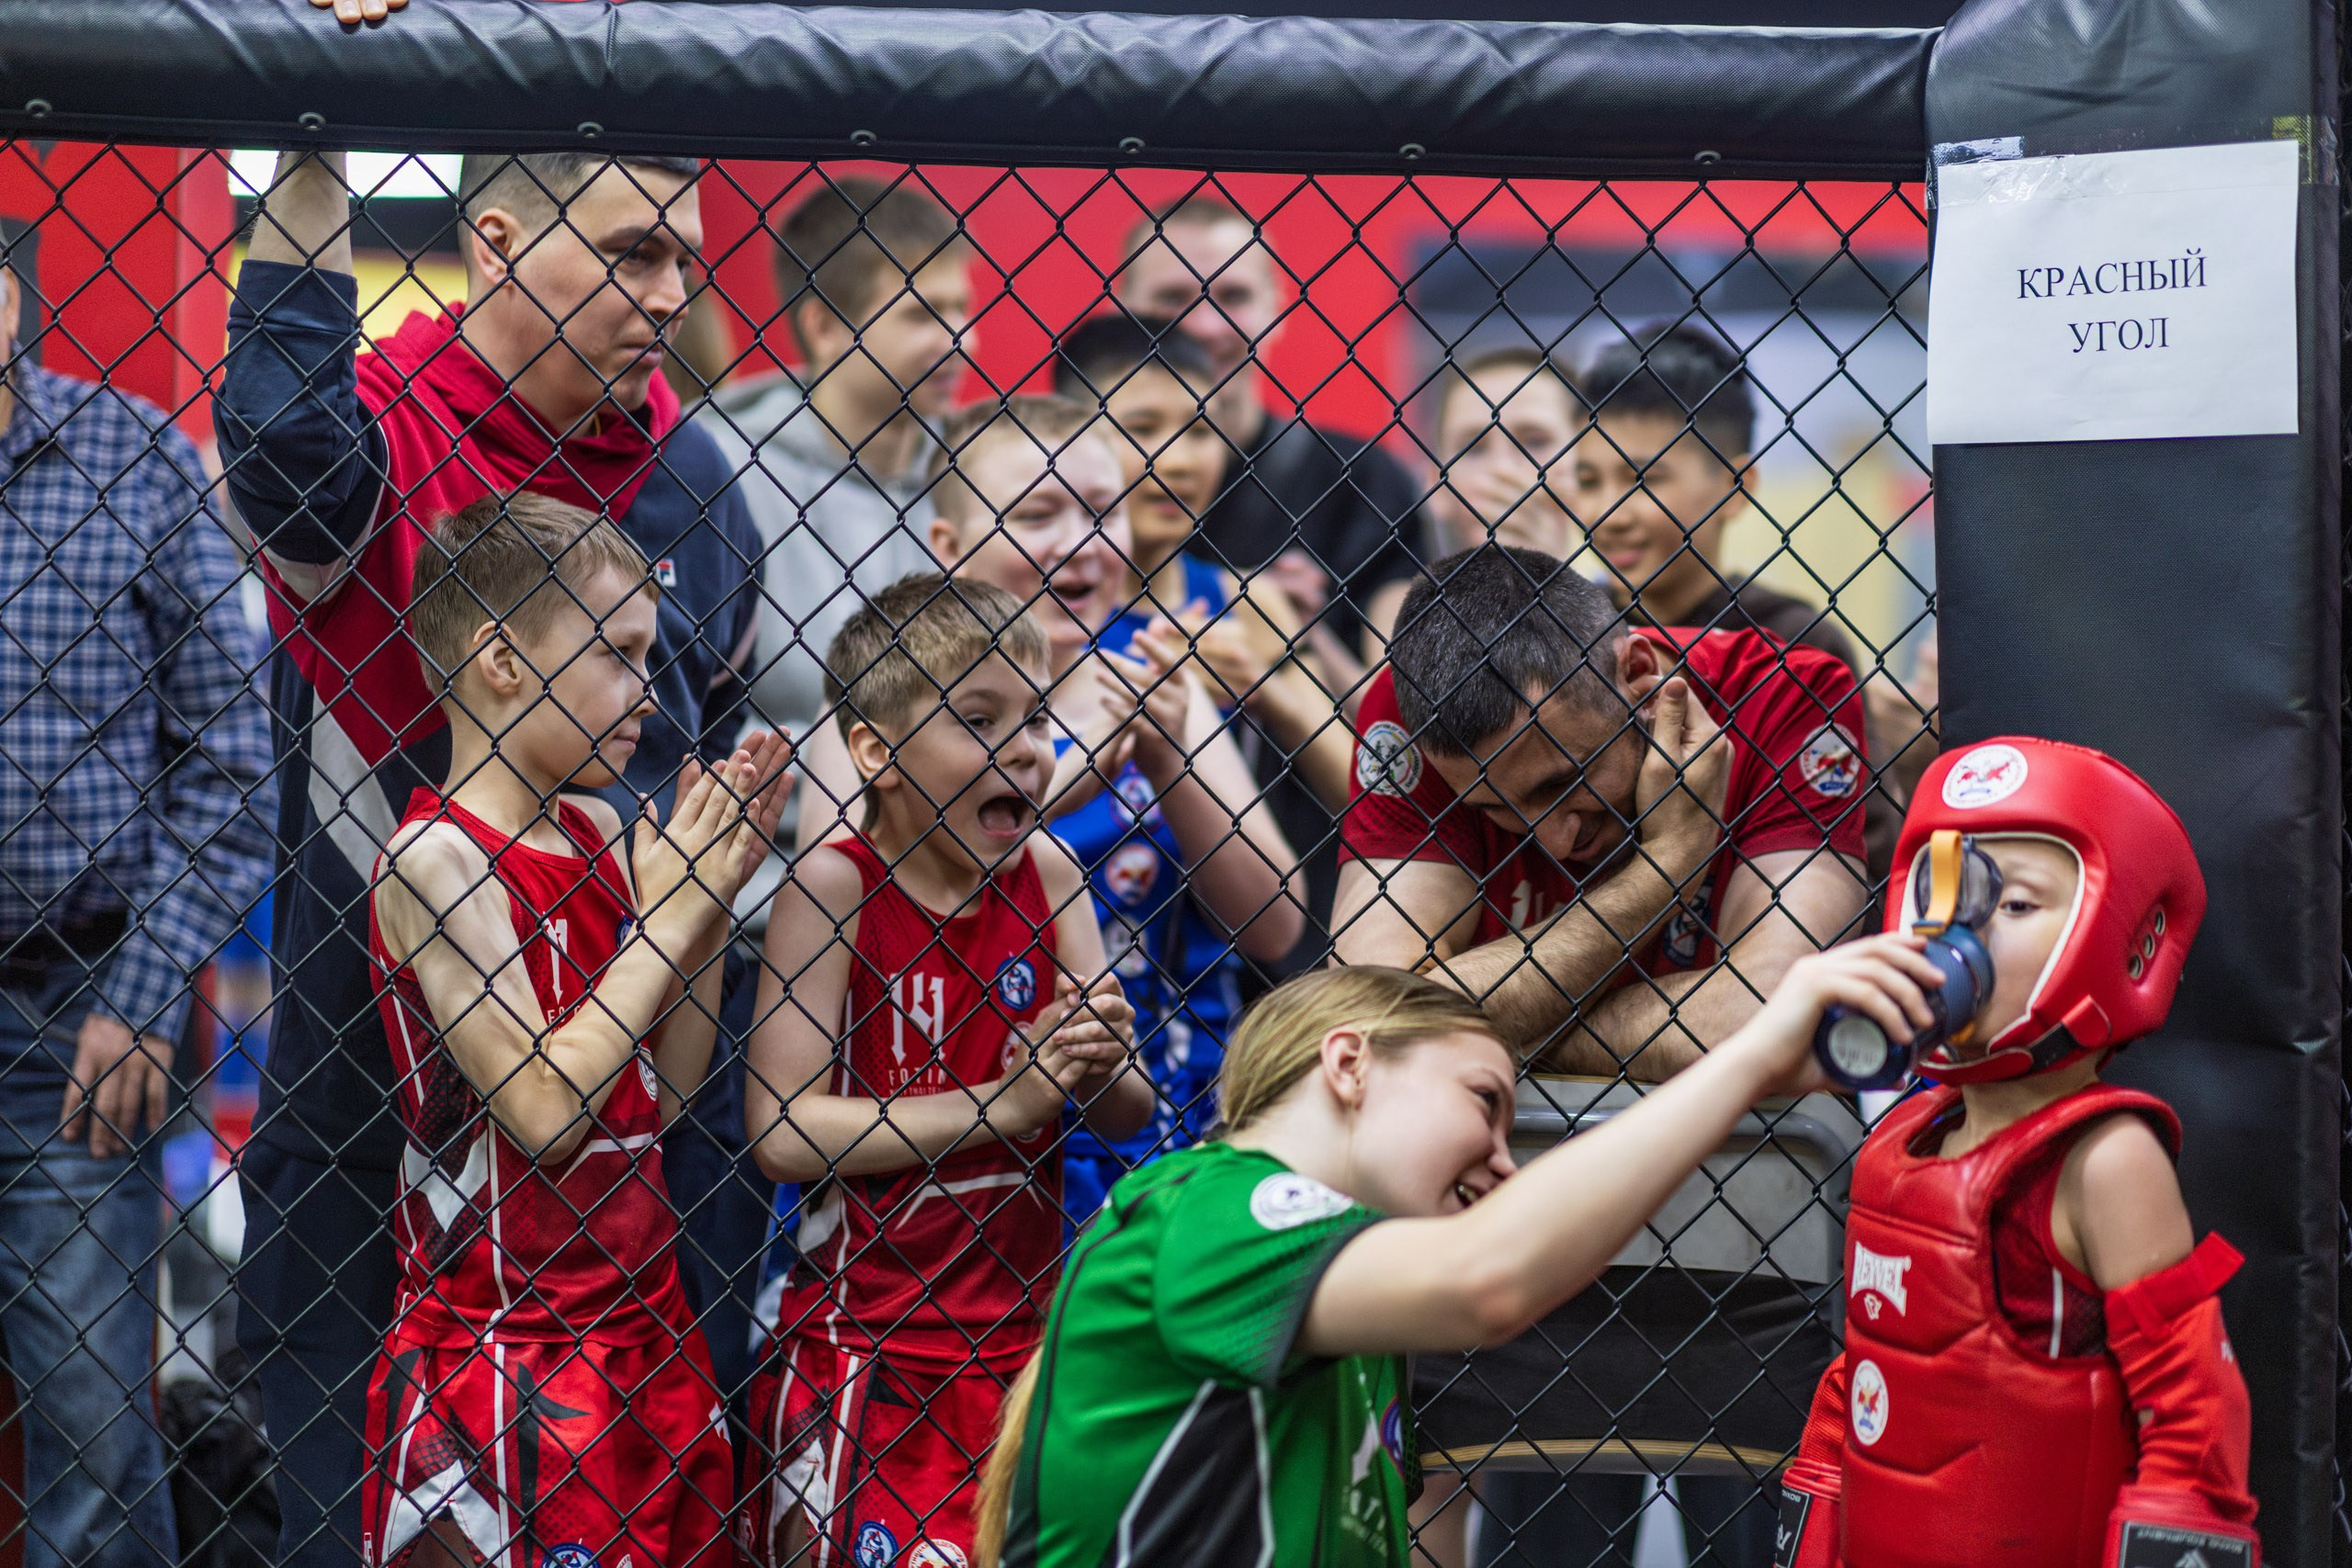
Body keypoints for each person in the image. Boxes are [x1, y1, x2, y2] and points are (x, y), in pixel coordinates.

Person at [215, 147, 763, 1565]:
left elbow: (716, 714)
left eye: (684, 260)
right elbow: (280, 435)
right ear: (501, 240)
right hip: (383, 1082)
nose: (670, 293)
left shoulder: (695, 473)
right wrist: (317, 120)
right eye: (634, 252)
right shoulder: (387, 422)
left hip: (638, 1142)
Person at [973, 943, 1946, 1568]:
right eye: (1485, 1104)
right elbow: (1492, 1280)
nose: (1499, 1162)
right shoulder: (1212, 1207)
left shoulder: (1350, 1312)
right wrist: (1750, 1060)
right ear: (1348, 1064)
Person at [1334, 543, 1870, 1564]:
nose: (1553, 837)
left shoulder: (1782, 693)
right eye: (1499, 810)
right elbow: (1371, 1010)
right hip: (1500, 1234)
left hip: (1747, 1252)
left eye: (1566, 781)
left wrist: (1492, 1027)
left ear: (1636, 678)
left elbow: (1772, 1021)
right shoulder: (1412, 720)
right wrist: (1662, 871)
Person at [365, 493, 789, 1567]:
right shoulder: (437, 861)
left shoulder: (602, 830)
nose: (646, 692)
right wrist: (667, 922)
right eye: (617, 654)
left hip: (649, 1331)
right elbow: (547, 1113)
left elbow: (670, 1089)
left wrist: (699, 912)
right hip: (500, 1353)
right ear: (502, 659)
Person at [740, 575, 1155, 1568]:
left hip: (1019, 1349)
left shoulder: (1049, 874)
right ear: (876, 752)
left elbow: (1128, 1105)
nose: (1023, 745)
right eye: (979, 718)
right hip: (864, 1352)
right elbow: (782, 1129)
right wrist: (1000, 1104)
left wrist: (1094, 1057)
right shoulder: (834, 887)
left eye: (1037, 717)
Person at [1780, 738, 2258, 1568]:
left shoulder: (2102, 1158)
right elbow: (1863, 1379)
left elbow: (2192, 1413)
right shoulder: (1900, 1141)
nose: (1958, 930)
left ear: (2115, 938)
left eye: (2015, 905)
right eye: (1943, 893)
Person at [0, 250, 275, 1568]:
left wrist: (141, 986)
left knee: (96, 1449)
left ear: (5, 301)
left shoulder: (131, 456)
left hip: (72, 1007)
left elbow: (230, 757)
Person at [1114, 197, 1428, 976]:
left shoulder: (1360, 483)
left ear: (1279, 310)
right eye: (1172, 299)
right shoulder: (1050, 493)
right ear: (1124, 311)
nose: (1207, 326)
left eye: (1233, 296)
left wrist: (1300, 649)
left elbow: (1414, 733)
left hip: (1315, 924)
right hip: (1110, 924)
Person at [1570, 322, 1898, 879]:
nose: (1608, 513)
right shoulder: (1566, 633)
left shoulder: (1797, 643)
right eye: (1587, 479)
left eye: (1643, 479)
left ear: (1737, 486)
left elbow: (1862, 849)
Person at [1364, 344, 1586, 642]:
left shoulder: (1631, 590)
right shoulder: (1406, 609)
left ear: (1587, 463)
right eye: (1474, 448)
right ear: (1435, 484)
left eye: (1534, 442)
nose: (1503, 469)